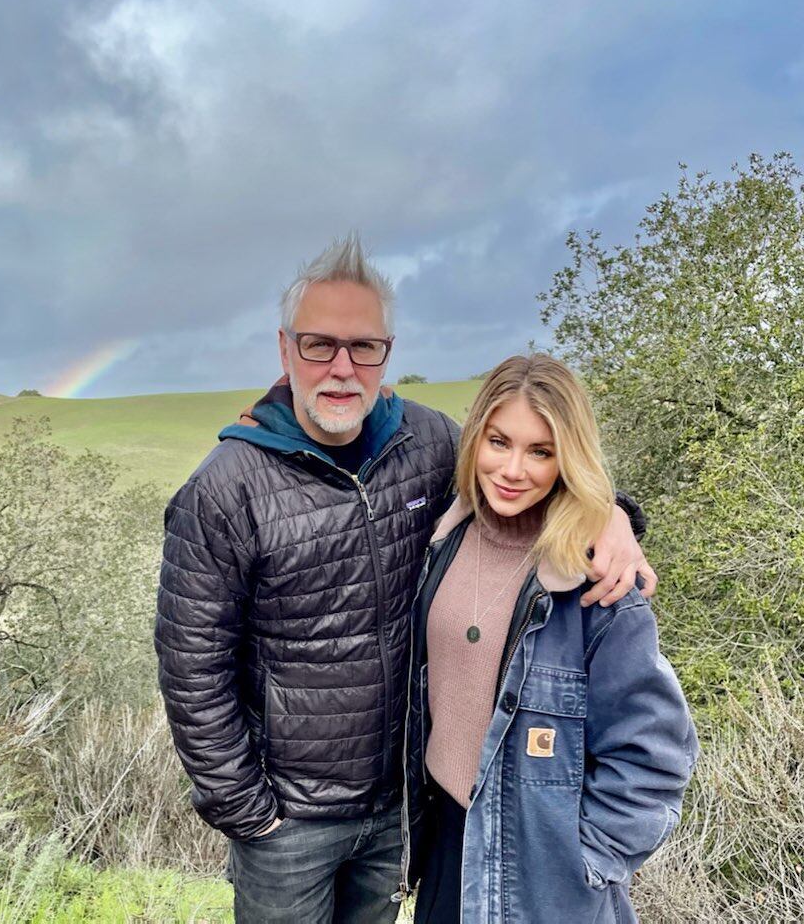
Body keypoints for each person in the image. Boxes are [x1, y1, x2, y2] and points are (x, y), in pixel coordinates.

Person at [155, 235, 654, 924]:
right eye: (318, 345)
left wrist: (613, 518)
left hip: (398, 811)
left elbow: (528, 480)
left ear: (387, 353)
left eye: (364, 347)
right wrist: (246, 811)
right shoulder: (226, 488)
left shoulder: (427, 443)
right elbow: (191, 668)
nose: (341, 368)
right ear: (284, 350)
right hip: (288, 822)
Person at [403, 353, 698, 924]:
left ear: (568, 458)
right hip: (445, 846)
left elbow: (654, 755)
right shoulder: (444, 535)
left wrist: (586, 862)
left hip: (541, 874)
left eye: (540, 451)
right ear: (475, 442)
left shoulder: (599, 584)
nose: (513, 469)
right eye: (499, 442)